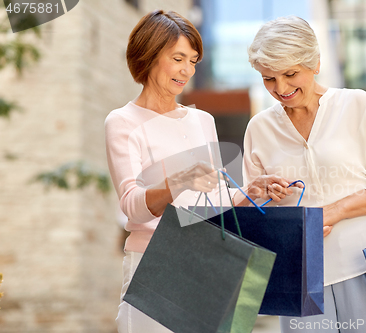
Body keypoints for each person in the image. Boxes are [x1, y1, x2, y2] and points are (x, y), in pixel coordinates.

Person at [105, 10, 296, 333]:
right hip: (155, 264)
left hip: (205, 262)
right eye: (178, 58)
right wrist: (179, 181)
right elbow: (132, 204)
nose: (187, 70)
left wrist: (249, 192)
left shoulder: (202, 120)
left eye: (193, 61)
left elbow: (212, 201)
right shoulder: (123, 121)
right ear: (149, 54)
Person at [245, 16, 366, 333]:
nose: (280, 88)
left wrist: (332, 212)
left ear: (316, 63)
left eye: (290, 74)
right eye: (269, 79)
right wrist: (259, 194)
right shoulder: (259, 129)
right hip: (297, 281)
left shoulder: (356, 105)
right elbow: (256, 221)